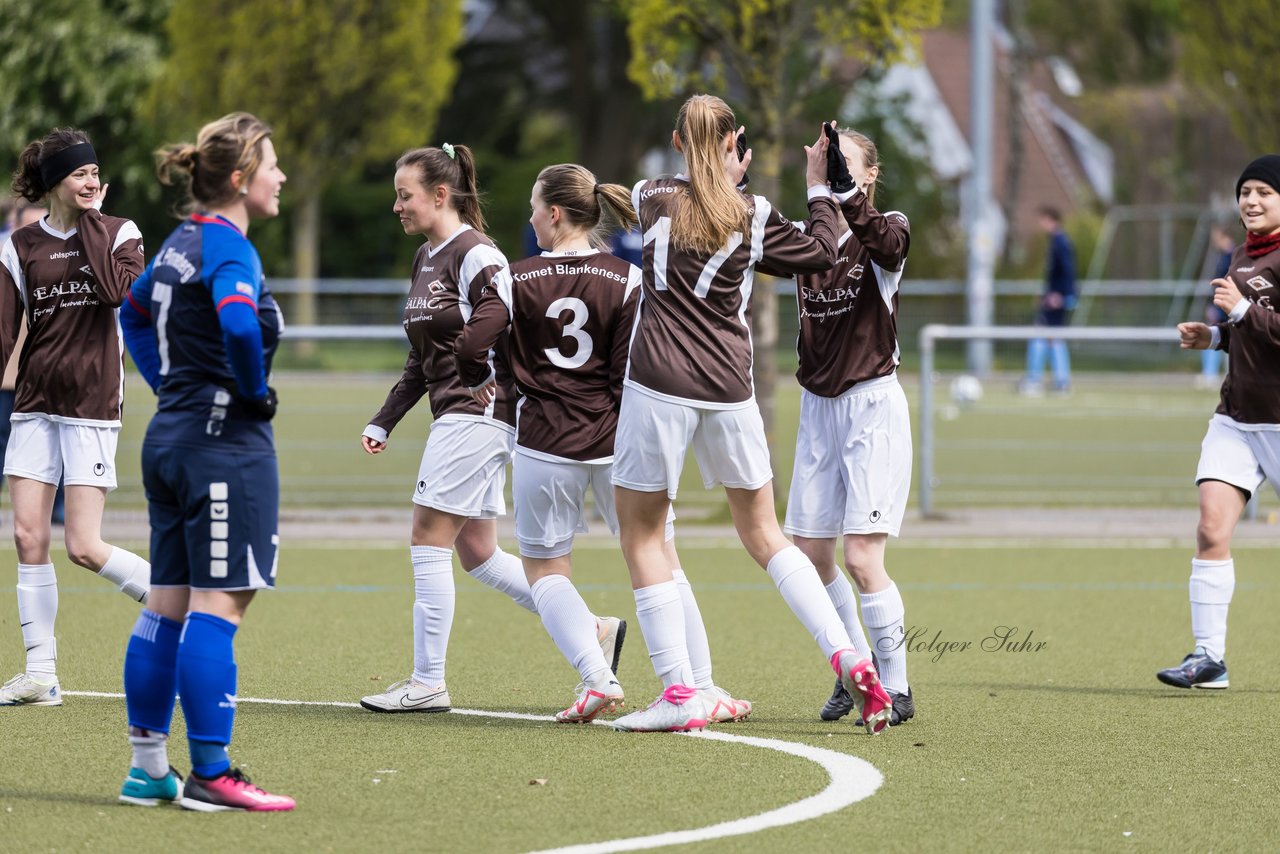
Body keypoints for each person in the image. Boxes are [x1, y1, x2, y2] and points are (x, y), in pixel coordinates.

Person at [608, 94, 894, 734]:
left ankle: (681, 692)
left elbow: (687, 201)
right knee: (767, 537)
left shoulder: (651, 193)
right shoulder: (756, 213)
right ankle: (845, 653)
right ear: (737, 143)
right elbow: (823, 250)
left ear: (679, 144)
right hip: (729, 388)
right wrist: (820, 187)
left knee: (643, 536)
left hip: (658, 385)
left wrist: (720, 176)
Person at [455, 164, 750, 724]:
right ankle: (703, 688)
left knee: (545, 569)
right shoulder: (628, 277)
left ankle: (597, 679)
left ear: (556, 213)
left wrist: (482, 380)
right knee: (664, 560)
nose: (531, 218)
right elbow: (630, 367)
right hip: (619, 444)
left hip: (544, 443)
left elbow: (472, 344)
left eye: (534, 207)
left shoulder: (512, 279)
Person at [358, 144, 624, 715]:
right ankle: (591, 628)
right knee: (477, 551)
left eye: (404, 196)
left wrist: (484, 386)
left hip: (477, 413)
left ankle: (427, 683)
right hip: (456, 412)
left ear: (440, 195)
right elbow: (421, 357)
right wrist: (385, 419)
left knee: (427, 535)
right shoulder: (426, 257)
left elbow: (496, 333)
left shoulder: (478, 254)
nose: (396, 206)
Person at [117, 112, 294, 810]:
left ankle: (146, 768)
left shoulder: (178, 241)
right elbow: (240, 322)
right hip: (222, 447)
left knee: (165, 606)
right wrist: (252, 393)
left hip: (170, 439)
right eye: (273, 166)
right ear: (242, 178)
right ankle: (211, 774)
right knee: (217, 608)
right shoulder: (227, 245)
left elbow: (131, 313)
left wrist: (165, 384)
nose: (281, 178)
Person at [0, 129, 151, 708]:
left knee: (83, 546)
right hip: (34, 401)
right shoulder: (19, 245)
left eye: (95, 173)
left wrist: (89, 218)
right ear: (52, 182)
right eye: (79, 175)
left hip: (91, 401)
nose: (91, 182)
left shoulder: (120, 232)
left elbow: (118, 294)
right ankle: (41, 674)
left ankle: (170, 603)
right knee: (26, 535)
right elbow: (5, 333)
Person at [782, 126, 916, 727]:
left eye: (843, 161)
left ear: (868, 175)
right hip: (818, 410)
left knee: (862, 557)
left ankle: (898, 684)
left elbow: (884, 242)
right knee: (811, 554)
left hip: (870, 406)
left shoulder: (887, 224)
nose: (829, 166)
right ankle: (854, 669)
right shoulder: (804, 237)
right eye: (823, 157)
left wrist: (842, 192)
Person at [1159, 154, 1280, 691]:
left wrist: (1237, 314)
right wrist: (1211, 337)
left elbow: (1255, 321)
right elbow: (1247, 334)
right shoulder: (1238, 256)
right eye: (1245, 191)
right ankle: (1209, 658)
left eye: (1264, 192)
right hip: (1237, 419)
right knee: (1211, 526)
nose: (1251, 201)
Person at [0, 203, 65, 527]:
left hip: (51, 374)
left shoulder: (64, 263)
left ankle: (60, 510)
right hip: (9, 376)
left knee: (60, 441)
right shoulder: (7, 262)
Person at [1021, 206, 1076, 396]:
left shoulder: (1061, 242)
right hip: (1056, 297)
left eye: (1043, 220)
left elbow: (1067, 272)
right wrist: (1047, 295)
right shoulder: (1056, 241)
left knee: (1042, 334)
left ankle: (1036, 381)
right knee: (1053, 338)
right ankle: (1060, 381)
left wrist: (1060, 296)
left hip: (1059, 299)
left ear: (1051, 220)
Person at [1196, 225, 1235, 388]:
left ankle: (1213, 373)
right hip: (1218, 303)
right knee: (1215, 333)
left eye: (1215, 236)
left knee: (1227, 334)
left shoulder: (1234, 255)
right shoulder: (1222, 255)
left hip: (1226, 304)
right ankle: (1210, 372)